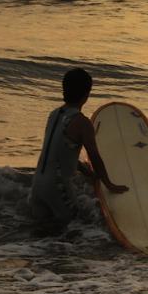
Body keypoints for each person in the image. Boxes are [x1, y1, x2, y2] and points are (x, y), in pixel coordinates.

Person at [29, 67, 125, 231]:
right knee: (73, 227)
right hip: (56, 188)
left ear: (63, 90)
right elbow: (94, 155)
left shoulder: (54, 115)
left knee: (41, 231)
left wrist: (85, 171)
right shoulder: (82, 122)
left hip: (37, 184)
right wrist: (109, 184)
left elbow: (57, 151)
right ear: (87, 94)